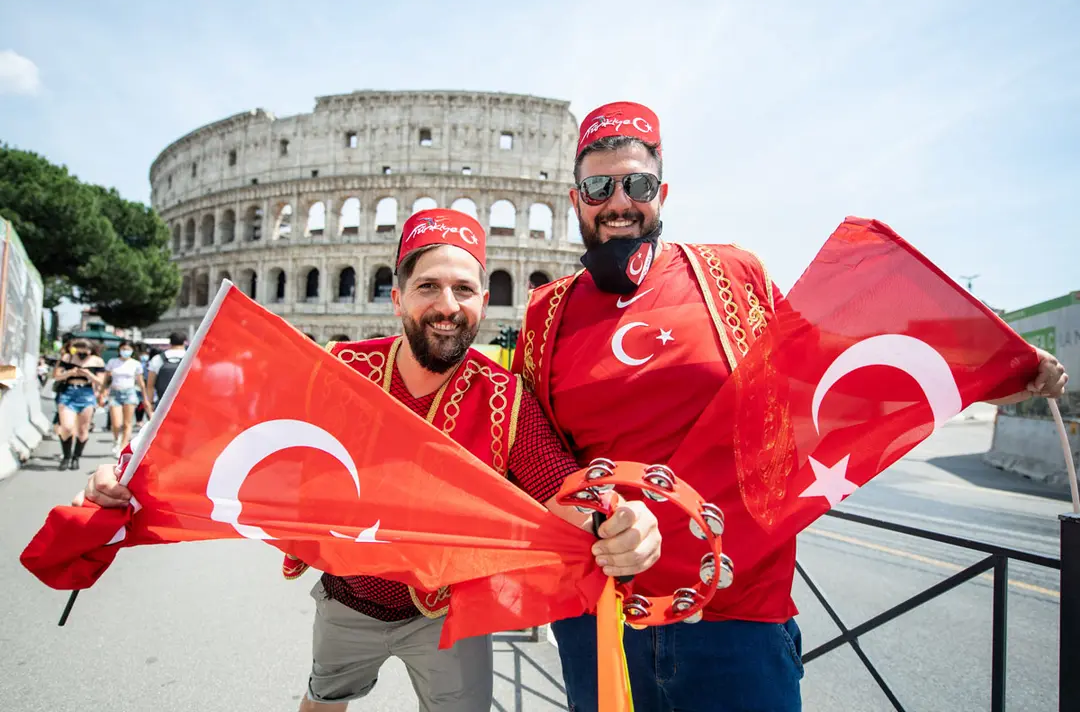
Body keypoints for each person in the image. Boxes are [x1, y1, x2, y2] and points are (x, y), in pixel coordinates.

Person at [513, 101, 1070, 712]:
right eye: (598, 185)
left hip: (738, 619)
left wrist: (985, 373)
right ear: (576, 201)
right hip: (601, 619)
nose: (619, 202)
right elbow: (529, 437)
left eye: (637, 184)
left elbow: (832, 368)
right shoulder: (546, 311)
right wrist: (586, 512)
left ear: (662, 191)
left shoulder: (731, 274)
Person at [78, 208, 663, 712]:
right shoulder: (341, 372)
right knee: (325, 698)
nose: (447, 306)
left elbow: (560, 490)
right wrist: (129, 467)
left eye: (464, 290)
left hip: (448, 612)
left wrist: (617, 521)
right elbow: (233, 425)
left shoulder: (506, 399)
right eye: (428, 287)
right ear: (397, 297)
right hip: (349, 598)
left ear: (485, 301)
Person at [53, 338, 106, 471]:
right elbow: (56, 376)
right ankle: (66, 456)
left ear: (90, 350)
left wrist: (88, 374)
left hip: (86, 394)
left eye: (85, 351)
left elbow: (101, 381)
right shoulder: (67, 357)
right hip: (68, 393)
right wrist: (70, 372)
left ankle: (76, 457)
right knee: (66, 427)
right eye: (79, 351)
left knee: (83, 430)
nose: (81, 354)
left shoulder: (97, 361)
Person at [104, 339, 153, 456]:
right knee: (116, 423)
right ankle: (116, 439)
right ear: (119, 349)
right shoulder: (112, 362)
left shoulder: (135, 363)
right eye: (123, 349)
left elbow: (140, 382)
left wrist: (145, 398)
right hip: (115, 392)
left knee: (127, 422)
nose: (126, 351)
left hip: (130, 393)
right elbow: (106, 379)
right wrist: (102, 392)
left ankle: (122, 446)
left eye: (128, 349)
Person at [146, 332, 187, 405]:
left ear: (170, 342)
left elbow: (150, 385)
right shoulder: (192, 358)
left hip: (163, 404)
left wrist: (150, 403)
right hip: (186, 403)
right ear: (184, 342)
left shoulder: (157, 359)